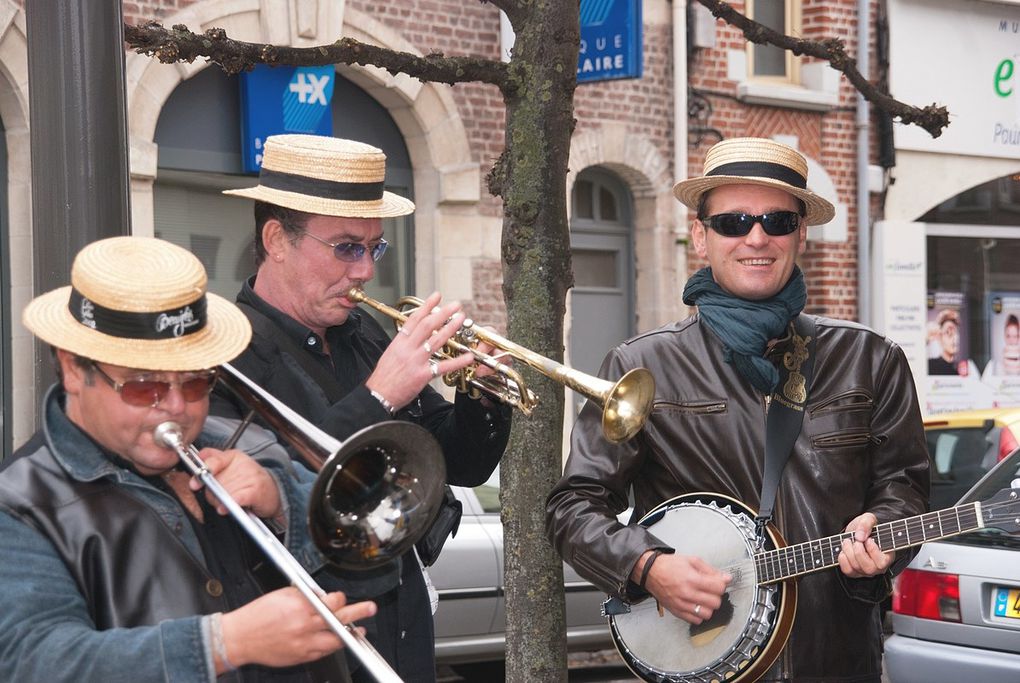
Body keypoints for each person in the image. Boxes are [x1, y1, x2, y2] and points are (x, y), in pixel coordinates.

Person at [546, 138, 930, 682]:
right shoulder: (641, 366)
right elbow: (573, 505)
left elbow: (905, 488)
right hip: (703, 663)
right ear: (700, 237)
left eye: (777, 220)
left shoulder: (869, 359)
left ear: (801, 233)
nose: (756, 237)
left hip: (839, 660)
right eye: (733, 222)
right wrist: (646, 565)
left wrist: (886, 531)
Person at [0, 236, 376, 682]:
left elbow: (377, 560)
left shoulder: (247, 443)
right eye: (145, 385)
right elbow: (31, 661)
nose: (178, 407)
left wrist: (282, 501)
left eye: (197, 382)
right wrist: (224, 643)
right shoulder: (19, 506)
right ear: (74, 370)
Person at [215, 134, 512, 683]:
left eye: (374, 249)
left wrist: (481, 392)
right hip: (304, 628)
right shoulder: (228, 352)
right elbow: (267, 485)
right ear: (277, 239)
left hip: (402, 617)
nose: (365, 273)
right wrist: (379, 397)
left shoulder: (362, 334)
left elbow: (460, 465)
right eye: (346, 247)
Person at [928, 308, 962, 375]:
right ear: (939, 337)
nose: (954, 338)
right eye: (949, 333)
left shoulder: (963, 367)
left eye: (956, 333)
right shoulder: (930, 365)